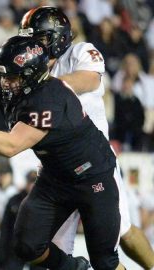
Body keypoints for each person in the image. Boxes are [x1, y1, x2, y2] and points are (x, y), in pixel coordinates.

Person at [0, 35, 125, 269]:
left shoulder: (49, 98)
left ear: (31, 75)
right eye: (3, 75)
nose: (4, 82)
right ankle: (74, 267)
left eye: (12, 76)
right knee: (26, 246)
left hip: (93, 178)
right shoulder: (18, 87)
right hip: (55, 178)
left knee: (106, 263)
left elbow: (11, 145)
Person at [17, 7, 154, 269]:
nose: (34, 46)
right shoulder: (31, 70)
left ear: (59, 37)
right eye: (30, 39)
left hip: (95, 166)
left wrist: (39, 88)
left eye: (40, 39)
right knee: (47, 251)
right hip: (56, 170)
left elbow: (89, 80)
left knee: (122, 234)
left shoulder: (80, 52)